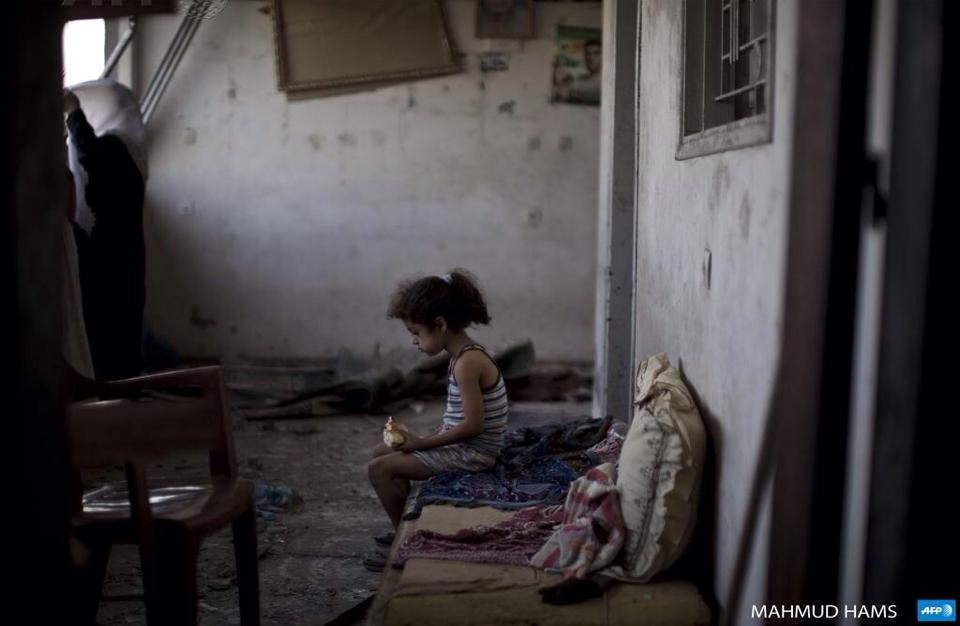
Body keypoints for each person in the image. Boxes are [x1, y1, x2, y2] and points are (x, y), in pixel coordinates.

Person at [364, 270, 509, 571]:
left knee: (379, 469)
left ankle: (407, 544)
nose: (414, 341)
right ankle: (406, 527)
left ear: (440, 324)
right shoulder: (461, 356)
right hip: (464, 445)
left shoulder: (468, 362)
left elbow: (473, 426)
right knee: (381, 451)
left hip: (473, 454)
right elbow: (458, 419)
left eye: (416, 332)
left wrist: (422, 443)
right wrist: (421, 439)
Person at [64, 80, 147, 380]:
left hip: (110, 258)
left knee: (107, 339)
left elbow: (91, 155)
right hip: (123, 257)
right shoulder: (133, 153)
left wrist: (74, 112)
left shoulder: (117, 147)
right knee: (119, 340)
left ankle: (111, 399)